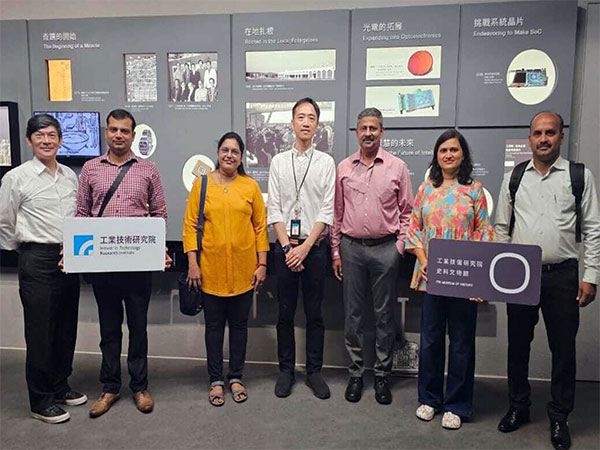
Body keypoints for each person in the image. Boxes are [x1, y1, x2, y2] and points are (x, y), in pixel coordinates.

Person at [494, 112, 600, 450]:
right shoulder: (515, 177)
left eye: (550, 133)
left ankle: (559, 417)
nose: (543, 139)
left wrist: (591, 276)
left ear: (561, 137)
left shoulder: (578, 176)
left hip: (564, 275)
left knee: (563, 350)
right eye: (538, 133)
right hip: (521, 275)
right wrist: (503, 271)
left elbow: (594, 230)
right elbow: (501, 227)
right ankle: (518, 407)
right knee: (518, 346)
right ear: (529, 139)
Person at [76, 109, 171, 418]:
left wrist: (159, 250)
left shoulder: (148, 169)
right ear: (106, 132)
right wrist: (75, 253)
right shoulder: (90, 169)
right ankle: (110, 387)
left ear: (133, 135)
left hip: (137, 263)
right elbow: (82, 214)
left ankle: (140, 386)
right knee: (109, 330)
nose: (118, 135)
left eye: (124, 131)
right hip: (103, 264)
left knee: (138, 328)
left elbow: (159, 213)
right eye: (113, 129)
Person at [405, 129, 494, 430]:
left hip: (464, 278)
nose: (448, 155)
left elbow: (483, 233)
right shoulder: (426, 189)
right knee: (430, 340)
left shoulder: (475, 191)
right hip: (432, 276)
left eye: (454, 150)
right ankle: (429, 399)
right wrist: (423, 259)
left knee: (461, 343)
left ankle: (457, 405)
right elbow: (414, 228)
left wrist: (480, 279)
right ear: (436, 156)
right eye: (443, 150)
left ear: (463, 155)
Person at [0, 114, 86, 424]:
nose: (46, 140)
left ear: (60, 140)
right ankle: (40, 400)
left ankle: (60, 385)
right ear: (29, 141)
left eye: (51, 135)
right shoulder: (16, 178)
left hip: (69, 258)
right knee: (40, 332)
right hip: (36, 258)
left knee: (65, 328)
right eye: (39, 136)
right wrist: (24, 250)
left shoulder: (69, 176)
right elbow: (5, 221)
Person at [330, 107, 413, 405]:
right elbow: (337, 213)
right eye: (363, 128)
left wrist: (398, 249)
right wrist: (336, 251)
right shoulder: (344, 168)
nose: (368, 133)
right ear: (356, 132)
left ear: (382, 131)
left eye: (373, 128)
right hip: (351, 249)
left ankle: (381, 376)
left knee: (383, 316)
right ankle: (355, 374)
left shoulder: (397, 167)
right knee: (352, 316)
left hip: (385, 250)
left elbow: (407, 212)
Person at [183, 131, 269, 406]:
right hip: (210, 271)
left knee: (240, 327)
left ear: (241, 157)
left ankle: (236, 377)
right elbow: (189, 225)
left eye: (235, 151)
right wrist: (193, 264)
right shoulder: (202, 184)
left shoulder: (250, 187)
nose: (229, 155)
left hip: (244, 272)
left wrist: (262, 264)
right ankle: (215, 380)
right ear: (217, 154)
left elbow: (259, 228)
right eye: (225, 150)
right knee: (214, 329)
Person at [267, 98, 336, 399]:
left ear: (317, 126)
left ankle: (314, 371)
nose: (306, 122)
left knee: (314, 314)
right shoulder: (278, 162)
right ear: (292, 123)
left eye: (311, 118)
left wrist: (305, 248)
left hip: (314, 249)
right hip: (285, 250)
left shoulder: (326, 163)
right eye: (300, 117)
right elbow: (274, 210)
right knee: (284, 313)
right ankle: (285, 371)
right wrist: (287, 248)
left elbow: (327, 210)